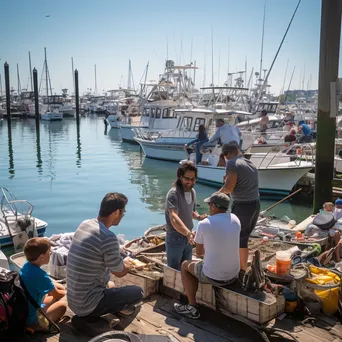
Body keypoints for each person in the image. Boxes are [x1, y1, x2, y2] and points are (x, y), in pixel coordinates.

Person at [67, 192, 143, 321]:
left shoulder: (85, 224)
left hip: (74, 301)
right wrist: (128, 264)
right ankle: (119, 308)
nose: (124, 215)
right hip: (88, 306)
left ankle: (115, 304)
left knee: (111, 284)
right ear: (117, 212)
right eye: (124, 211)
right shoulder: (108, 237)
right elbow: (119, 272)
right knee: (138, 292)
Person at [174, 192, 240, 319]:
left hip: (214, 276)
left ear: (214, 206)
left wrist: (198, 238)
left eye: (210, 204)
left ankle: (192, 307)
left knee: (184, 265)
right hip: (233, 274)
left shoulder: (204, 224)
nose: (209, 207)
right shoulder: (236, 219)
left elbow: (199, 253)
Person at [218, 141, 260, 271]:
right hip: (255, 204)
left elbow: (229, 188)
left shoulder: (232, 163)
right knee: (244, 237)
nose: (225, 158)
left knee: (238, 238)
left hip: (242, 206)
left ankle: (240, 269)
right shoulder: (249, 162)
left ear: (229, 154)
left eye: (225, 156)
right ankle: (242, 267)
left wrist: (216, 195)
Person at [165, 162, 207, 271]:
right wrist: (187, 233)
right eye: (187, 178)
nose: (190, 182)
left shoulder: (192, 192)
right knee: (174, 270)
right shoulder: (173, 194)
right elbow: (173, 217)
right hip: (175, 237)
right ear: (180, 177)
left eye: (193, 179)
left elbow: (191, 212)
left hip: (189, 236)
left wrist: (199, 217)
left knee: (186, 268)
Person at [20, 237, 67, 331]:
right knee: (63, 305)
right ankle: (39, 326)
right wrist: (66, 293)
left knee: (58, 290)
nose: (50, 254)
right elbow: (58, 294)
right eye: (49, 252)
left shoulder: (27, 265)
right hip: (32, 319)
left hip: (28, 308)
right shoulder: (40, 276)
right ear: (42, 257)